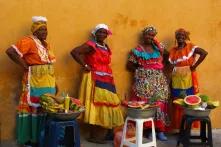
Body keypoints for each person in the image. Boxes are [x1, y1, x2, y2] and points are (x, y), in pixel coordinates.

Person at [6, 16, 56, 147]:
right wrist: (25, 66)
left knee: (44, 108)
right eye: (41, 30)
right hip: (34, 82)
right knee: (32, 108)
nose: (45, 32)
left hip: (47, 83)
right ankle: (30, 139)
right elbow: (11, 52)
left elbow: (49, 64)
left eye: (46, 30)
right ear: (34, 31)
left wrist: (54, 83)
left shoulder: (46, 45)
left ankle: (41, 137)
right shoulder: (28, 41)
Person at [70, 24, 124, 143]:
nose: (102, 34)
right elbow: (74, 52)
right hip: (94, 77)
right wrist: (85, 65)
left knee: (108, 103)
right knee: (98, 104)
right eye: (100, 32)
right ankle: (97, 136)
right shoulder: (91, 45)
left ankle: (103, 132)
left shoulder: (105, 46)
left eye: (104, 32)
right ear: (95, 33)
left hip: (106, 77)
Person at [127, 26, 170, 141]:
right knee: (146, 106)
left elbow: (168, 56)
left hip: (159, 82)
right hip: (143, 84)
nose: (150, 37)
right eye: (148, 35)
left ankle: (160, 130)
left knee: (159, 105)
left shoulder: (158, 49)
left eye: (152, 35)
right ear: (143, 35)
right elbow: (129, 65)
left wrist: (158, 45)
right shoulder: (138, 49)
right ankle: (148, 131)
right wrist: (142, 70)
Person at [169, 28, 208, 131]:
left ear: (186, 37)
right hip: (176, 79)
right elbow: (170, 64)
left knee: (188, 101)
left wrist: (194, 66)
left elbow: (204, 53)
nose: (180, 37)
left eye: (182, 35)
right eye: (178, 35)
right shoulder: (173, 50)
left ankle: (188, 128)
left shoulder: (191, 47)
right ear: (176, 38)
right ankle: (179, 128)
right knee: (178, 102)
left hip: (188, 78)